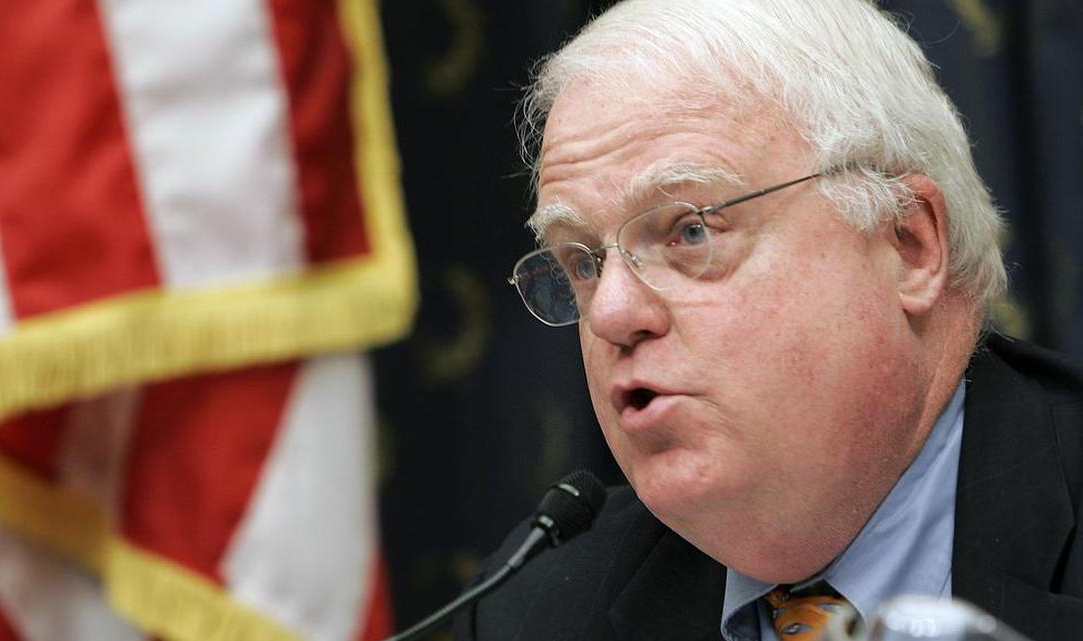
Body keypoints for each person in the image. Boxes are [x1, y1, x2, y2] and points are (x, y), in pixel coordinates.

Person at [453, 1, 1083, 640]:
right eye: (582, 264)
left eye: (691, 231)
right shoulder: (535, 607)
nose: (613, 313)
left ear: (908, 243)